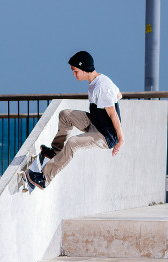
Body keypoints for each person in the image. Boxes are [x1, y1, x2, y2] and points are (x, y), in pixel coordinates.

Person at [27, 51, 123, 190]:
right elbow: (118, 95)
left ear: (84, 68)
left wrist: (120, 140)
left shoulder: (102, 87)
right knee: (65, 115)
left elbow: (113, 114)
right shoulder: (98, 81)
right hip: (95, 124)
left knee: (72, 143)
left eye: (75, 71)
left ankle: (44, 179)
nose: (73, 74)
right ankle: (56, 151)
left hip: (105, 136)